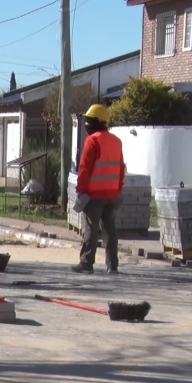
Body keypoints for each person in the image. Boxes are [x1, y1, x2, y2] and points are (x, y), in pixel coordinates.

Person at [73, 104, 125, 274]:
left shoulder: (92, 140)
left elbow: (84, 169)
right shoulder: (116, 141)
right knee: (110, 231)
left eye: (88, 121)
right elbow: (120, 169)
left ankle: (87, 264)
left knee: (91, 229)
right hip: (111, 194)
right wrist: (117, 190)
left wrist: (81, 191)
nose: (86, 124)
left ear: (95, 122)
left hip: (93, 195)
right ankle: (112, 266)